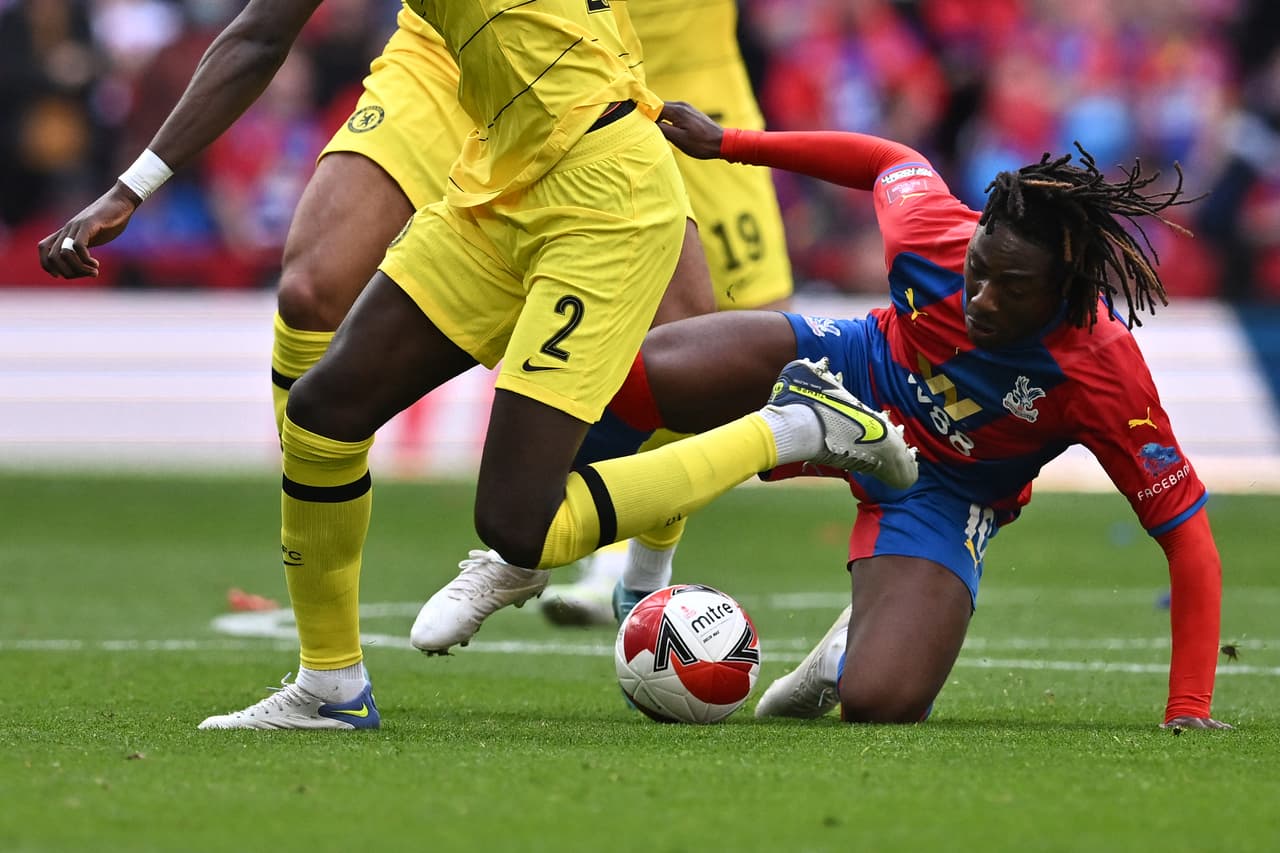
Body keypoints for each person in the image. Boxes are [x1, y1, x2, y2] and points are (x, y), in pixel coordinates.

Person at [46, 0, 919, 729]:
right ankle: (330, 687)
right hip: (496, 178)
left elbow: (262, 36)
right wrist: (132, 188)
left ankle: (797, 425)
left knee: (518, 519)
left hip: (601, 193)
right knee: (324, 411)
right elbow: (258, 32)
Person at [518, 100, 1229, 729]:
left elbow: (1187, 538)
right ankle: (542, 557)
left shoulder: (1103, 371)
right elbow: (888, 159)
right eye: (979, 269)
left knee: (879, 702)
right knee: (640, 374)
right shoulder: (935, 235)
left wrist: (1188, 708)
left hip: (946, 491)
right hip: (854, 374)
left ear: (1064, 293)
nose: (979, 297)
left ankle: (843, 651)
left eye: (1010, 288)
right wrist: (730, 142)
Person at [536, 0, 797, 628]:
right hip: (588, 103)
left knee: (756, 354)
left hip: (703, 104)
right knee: (626, 330)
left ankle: (643, 552)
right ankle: (610, 549)